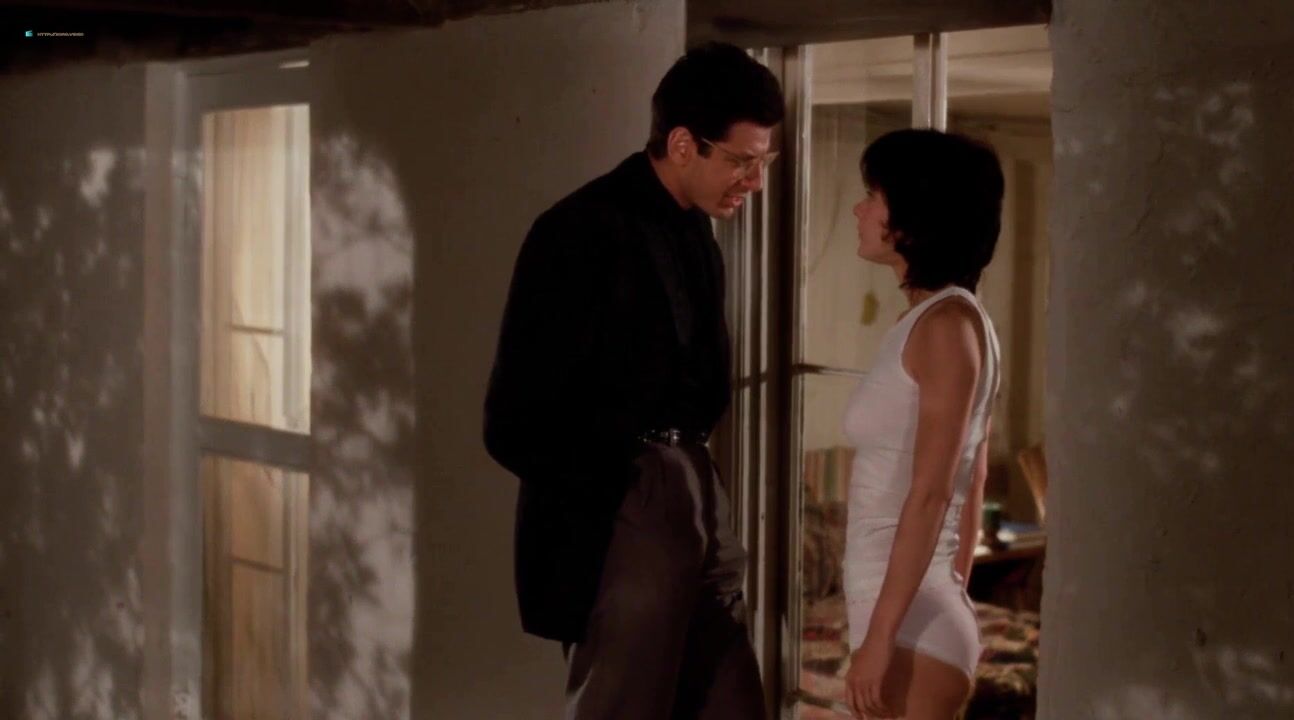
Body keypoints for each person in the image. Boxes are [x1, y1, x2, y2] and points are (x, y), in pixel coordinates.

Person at [483, 42, 784, 719]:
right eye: (741, 161)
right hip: (627, 500)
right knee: (621, 708)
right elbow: (512, 422)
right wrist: (624, 486)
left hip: (698, 486)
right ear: (682, 144)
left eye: (764, 163)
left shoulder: (698, 236)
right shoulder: (578, 231)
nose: (754, 182)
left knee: (734, 704)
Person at [840, 129, 1005, 720]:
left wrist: (882, 637)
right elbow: (974, 475)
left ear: (913, 219)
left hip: (911, 623)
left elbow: (936, 492)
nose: (858, 210)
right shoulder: (936, 320)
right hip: (906, 606)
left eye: (873, 196)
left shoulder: (946, 327)